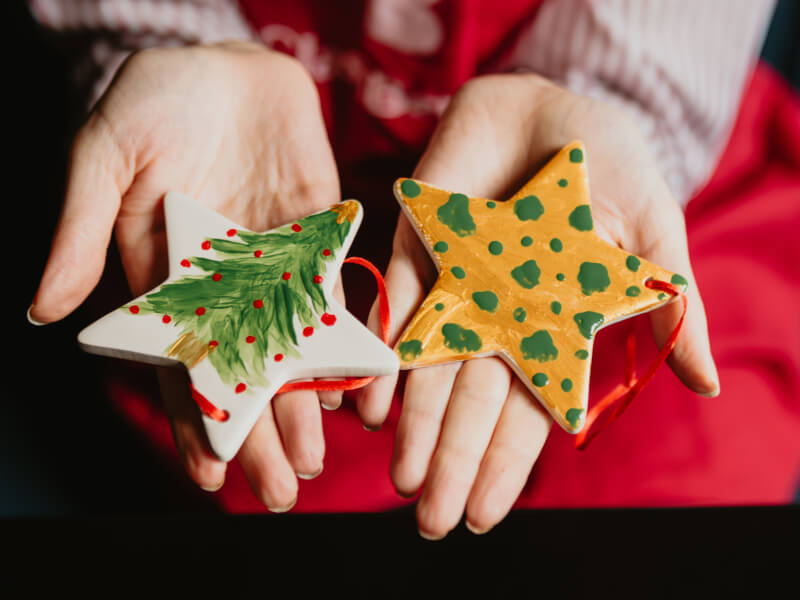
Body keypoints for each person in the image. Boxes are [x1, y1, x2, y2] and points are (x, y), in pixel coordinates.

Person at [28, 0, 795, 540]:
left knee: (684, 491)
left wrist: (612, 105)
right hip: (257, 185)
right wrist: (166, 43)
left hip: (629, 185)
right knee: (264, 479)